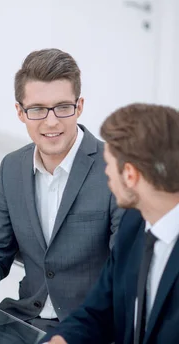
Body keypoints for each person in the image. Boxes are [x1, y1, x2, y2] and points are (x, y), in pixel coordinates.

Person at [0, 48, 124, 334]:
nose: (51, 121)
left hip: (92, 329)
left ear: (79, 107)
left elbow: (123, 272)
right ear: (20, 112)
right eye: (38, 109)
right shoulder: (12, 167)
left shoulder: (115, 169)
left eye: (62, 107)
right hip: (23, 322)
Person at [44, 103, 179, 344]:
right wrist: (61, 340)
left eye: (109, 165)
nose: (106, 175)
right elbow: (98, 313)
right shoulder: (134, 224)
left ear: (130, 175)